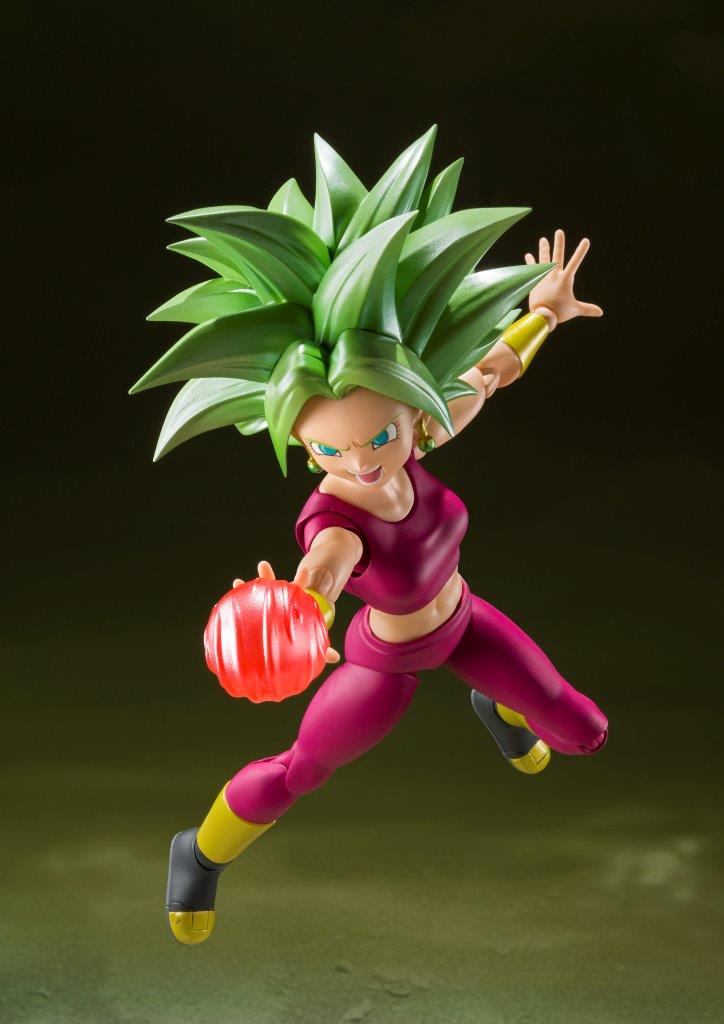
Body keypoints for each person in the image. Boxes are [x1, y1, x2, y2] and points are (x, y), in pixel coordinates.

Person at [132, 127, 608, 945]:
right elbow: (322, 569)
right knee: (300, 770)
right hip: (384, 661)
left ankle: (499, 706)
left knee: (583, 731)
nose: (358, 461)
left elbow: (492, 372)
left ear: (409, 411)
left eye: (378, 437)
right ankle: (199, 852)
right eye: (329, 450)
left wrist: (543, 314)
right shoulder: (335, 520)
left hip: (466, 621)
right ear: (300, 442)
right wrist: (297, 614)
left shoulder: (421, 431)